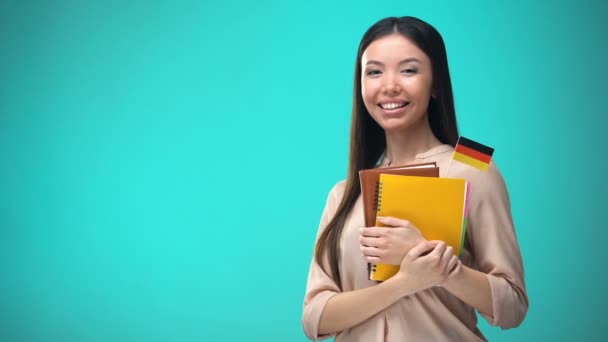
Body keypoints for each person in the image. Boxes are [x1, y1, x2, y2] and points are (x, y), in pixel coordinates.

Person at [302, 16, 528, 341]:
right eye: (374, 71)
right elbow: (314, 319)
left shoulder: (474, 168)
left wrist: (436, 263)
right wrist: (406, 281)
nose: (389, 85)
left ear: (435, 83)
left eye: (408, 70)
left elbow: (513, 306)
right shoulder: (344, 193)